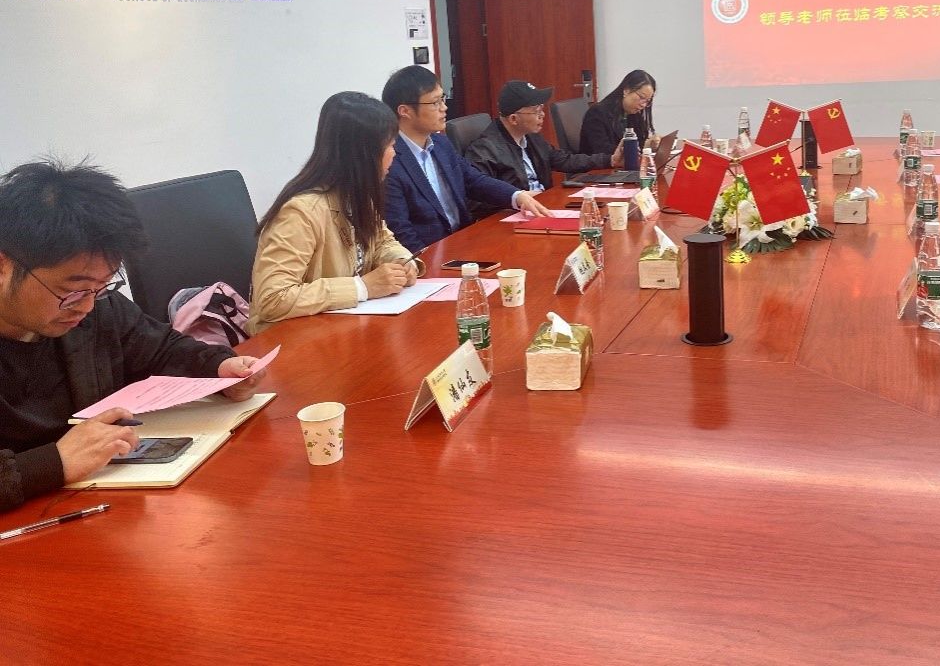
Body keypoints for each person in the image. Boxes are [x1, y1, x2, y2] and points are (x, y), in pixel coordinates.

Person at [0, 161, 265, 512]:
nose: (86, 307)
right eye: (73, 290)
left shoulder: (97, 307)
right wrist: (53, 462)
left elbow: (160, 347)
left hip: (111, 501)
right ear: (4, 266)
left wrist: (218, 369)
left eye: (102, 286)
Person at [250, 91, 420, 333]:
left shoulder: (357, 195)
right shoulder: (301, 212)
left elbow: (383, 241)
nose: (395, 153)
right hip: (292, 339)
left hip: (340, 328)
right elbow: (273, 298)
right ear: (364, 154)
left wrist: (401, 261)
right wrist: (362, 287)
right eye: (391, 145)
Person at [382, 66, 552, 253]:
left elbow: (473, 180)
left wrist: (517, 196)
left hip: (464, 241)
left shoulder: (440, 143)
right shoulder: (388, 160)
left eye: (442, 99)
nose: (444, 107)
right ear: (405, 111)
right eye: (435, 102)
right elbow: (399, 231)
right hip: (430, 255)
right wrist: (427, 263)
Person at [465, 80, 622, 198]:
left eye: (541, 109)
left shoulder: (531, 137)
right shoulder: (485, 150)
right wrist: (516, 199)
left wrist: (610, 160)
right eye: (536, 111)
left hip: (542, 203)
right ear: (513, 119)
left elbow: (564, 160)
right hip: (513, 216)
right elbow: (479, 197)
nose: (543, 115)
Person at [579, 70, 656, 155]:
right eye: (641, 97)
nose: (643, 105)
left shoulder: (634, 114)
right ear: (626, 90)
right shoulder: (597, 113)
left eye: (647, 101)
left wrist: (649, 145)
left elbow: (638, 143)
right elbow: (602, 149)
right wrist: (630, 150)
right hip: (600, 162)